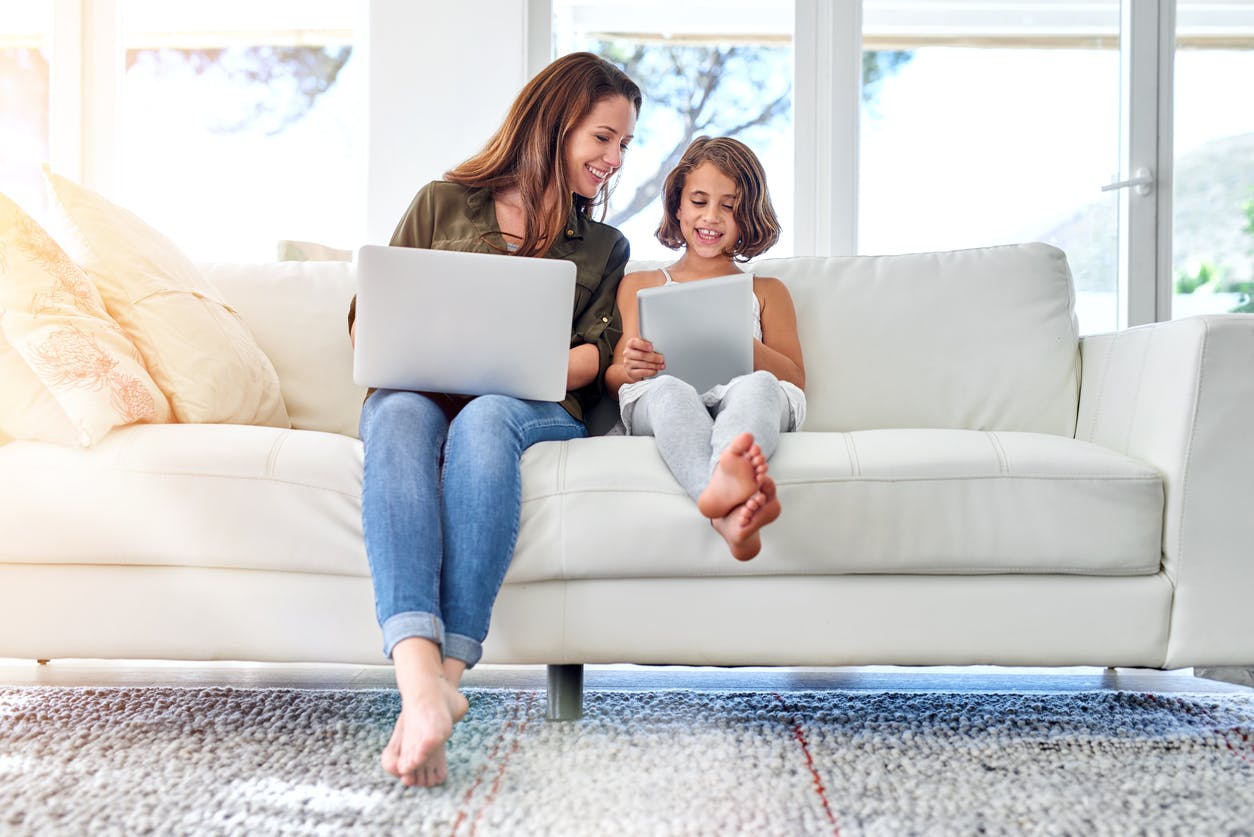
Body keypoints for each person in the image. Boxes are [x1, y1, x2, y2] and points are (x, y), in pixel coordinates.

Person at [347, 52, 641, 788]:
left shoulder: (605, 247)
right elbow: (369, 323)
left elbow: (590, 360)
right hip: (422, 393)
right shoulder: (442, 203)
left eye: (623, 145)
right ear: (555, 121)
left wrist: (512, 357)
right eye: (603, 138)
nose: (614, 159)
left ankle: (445, 678)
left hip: (534, 407)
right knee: (395, 413)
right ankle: (423, 687)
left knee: (484, 418)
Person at [605, 136, 805, 562]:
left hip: (741, 392)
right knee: (669, 390)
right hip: (666, 395)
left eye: (729, 206)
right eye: (698, 201)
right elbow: (615, 378)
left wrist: (737, 340)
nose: (711, 217)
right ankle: (724, 502)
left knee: (760, 386)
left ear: (748, 216)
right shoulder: (641, 284)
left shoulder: (767, 291)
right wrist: (631, 366)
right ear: (677, 206)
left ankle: (724, 507)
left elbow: (794, 377)